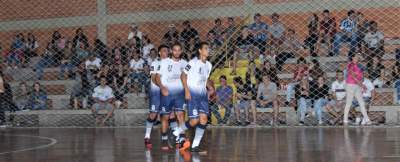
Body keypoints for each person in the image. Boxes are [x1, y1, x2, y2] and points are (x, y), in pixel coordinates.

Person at [173, 42, 213, 153]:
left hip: (203, 95)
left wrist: (210, 88)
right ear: (200, 50)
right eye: (206, 48)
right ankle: (177, 131)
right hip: (193, 94)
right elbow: (183, 75)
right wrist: (186, 90)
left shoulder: (209, 65)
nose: (208, 50)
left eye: (208, 48)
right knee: (194, 121)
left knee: (204, 120)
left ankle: (195, 146)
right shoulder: (193, 62)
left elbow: (205, 79)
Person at [155, 43, 187, 151]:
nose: (177, 52)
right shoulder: (164, 62)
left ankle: (182, 140)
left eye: (179, 50)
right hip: (167, 94)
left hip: (180, 94)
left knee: (181, 115)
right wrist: (162, 87)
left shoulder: (185, 63)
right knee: (165, 117)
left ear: (181, 51)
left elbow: (189, 77)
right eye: (174, 50)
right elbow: (157, 77)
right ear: (171, 51)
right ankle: (164, 139)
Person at [144, 44, 169, 149]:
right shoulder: (155, 63)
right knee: (153, 114)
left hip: (167, 92)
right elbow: (153, 78)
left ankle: (168, 139)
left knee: (168, 115)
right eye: (164, 50)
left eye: (167, 51)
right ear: (159, 53)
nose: (166, 52)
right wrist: (161, 87)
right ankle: (147, 136)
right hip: (156, 92)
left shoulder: (171, 63)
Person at [343, 54, 371, 125]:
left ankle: (367, 119)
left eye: (358, 57)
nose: (356, 58)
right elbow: (352, 75)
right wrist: (360, 84)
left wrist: (361, 84)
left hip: (357, 86)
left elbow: (360, 77)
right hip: (350, 85)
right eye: (355, 57)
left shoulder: (360, 67)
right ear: (352, 58)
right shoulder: (350, 64)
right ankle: (345, 120)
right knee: (348, 103)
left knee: (362, 103)